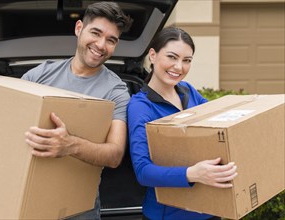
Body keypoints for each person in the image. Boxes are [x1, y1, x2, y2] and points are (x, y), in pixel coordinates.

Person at [21, 2, 132, 220]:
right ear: (79, 28)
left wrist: (69, 145)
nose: (101, 45)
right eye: (96, 33)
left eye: (111, 40)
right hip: (28, 200)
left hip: (79, 209)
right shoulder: (39, 75)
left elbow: (115, 155)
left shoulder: (116, 91)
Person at [127, 26, 238, 220]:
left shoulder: (187, 91)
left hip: (210, 209)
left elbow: (218, 125)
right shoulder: (141, 106)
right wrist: (192, 174)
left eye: (186, 60)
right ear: (152, 55)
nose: (179, 67)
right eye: (172, 57)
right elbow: (143, 171)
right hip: (168, 214)